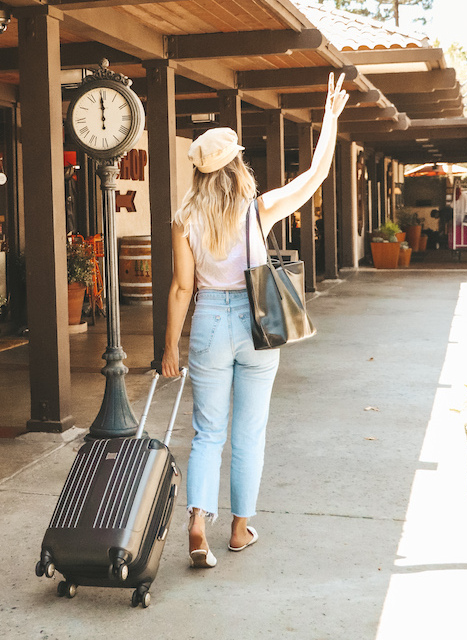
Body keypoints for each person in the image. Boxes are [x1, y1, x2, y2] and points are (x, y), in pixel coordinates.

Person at [161, 73, 349, 569]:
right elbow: (315, 177)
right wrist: (329, 119)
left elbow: (182, 287)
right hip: (257, 326)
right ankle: (240, 529)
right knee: (249, 433)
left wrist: (168, 348)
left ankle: (198, 525)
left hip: (207, 325)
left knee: (207, 433)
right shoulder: (257, 209)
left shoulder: (184, 219)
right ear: (237, 165)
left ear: (201, 173)